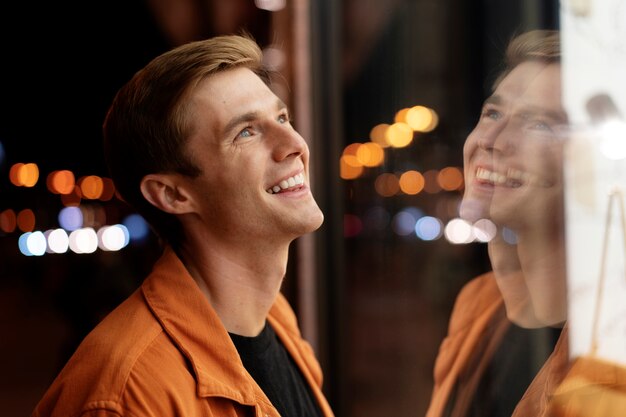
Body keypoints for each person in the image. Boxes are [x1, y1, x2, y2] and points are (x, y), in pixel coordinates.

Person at [32, 34, 334, 417]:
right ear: (172, 195)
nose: (294, 143)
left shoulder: (275, 317)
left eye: (281, 117)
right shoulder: (126, 397)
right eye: (246, 132)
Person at [425, 29, 570, 417]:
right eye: (493, 113)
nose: (491, 139)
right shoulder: (478, 307)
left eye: (539, 124)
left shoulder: (609, 349)